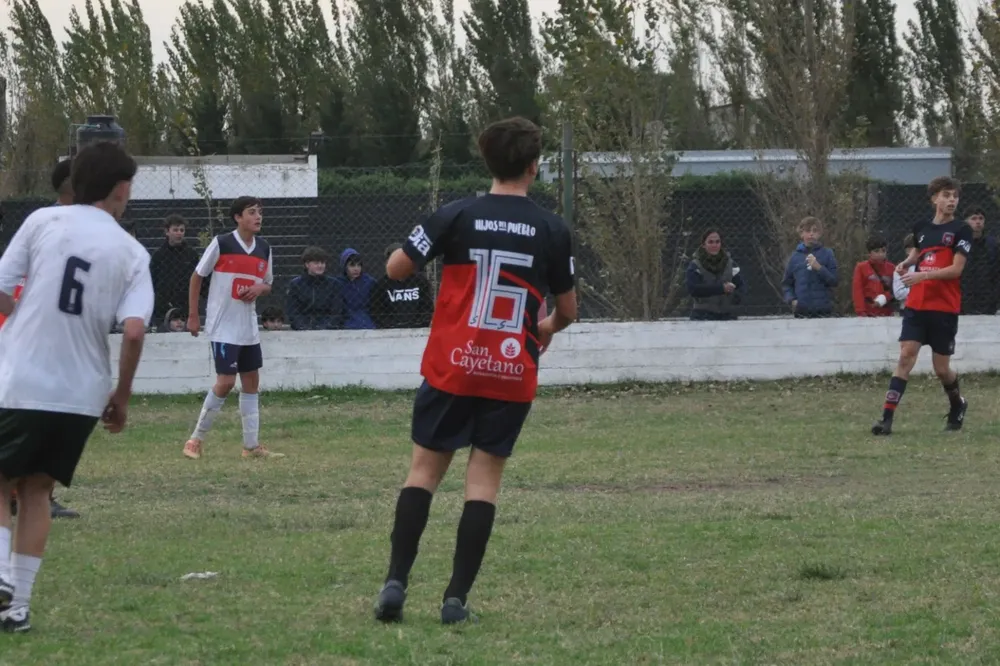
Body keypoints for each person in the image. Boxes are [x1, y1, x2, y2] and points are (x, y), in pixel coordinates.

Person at [373, 116, 577, 626]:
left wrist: (409, 251)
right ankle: (455, 600)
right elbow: (569, 312)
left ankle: (395, 583)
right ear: (534, 167)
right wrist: (545, 329)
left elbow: (397, 269)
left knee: (423, 471)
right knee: (483, 482)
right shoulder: (552, 229)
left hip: (453, 366)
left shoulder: (455, 214)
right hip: (510, 369)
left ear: (487, 162)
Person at [0, 141, 154, 632]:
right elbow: (133, 330)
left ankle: (1, 575)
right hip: (82, 392)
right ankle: (18, 607)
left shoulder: (45, 221)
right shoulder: (132, 251)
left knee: (2, 483)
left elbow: (2, 288)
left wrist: (21, 320)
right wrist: (122, 396)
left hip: (24, 378)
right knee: (39, 490)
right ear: (122, 188)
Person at [3, 160, 82, 521]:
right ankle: (30, 494)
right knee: (38, 410)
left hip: (54, 332)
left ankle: (31, 494)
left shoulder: (78, 225)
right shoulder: (49, 224)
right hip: (35, 332)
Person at [183, 197, 283, 460]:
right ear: (238, 217)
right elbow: (197, 277)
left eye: (260, 212)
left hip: (247, 327)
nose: (258, 217)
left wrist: (261, 288)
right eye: (252, 212)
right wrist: (193, 315)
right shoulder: (222, 243)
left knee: (251, 383)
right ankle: (195, 439)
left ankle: (251, 446)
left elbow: (268, 283)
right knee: (226, 383)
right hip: (223, 326)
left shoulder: (264, 247)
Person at [872, 176, 971, 436]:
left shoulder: (962, 230)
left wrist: (922, 276)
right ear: (934, 199)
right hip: (917, 305)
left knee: (941, 369)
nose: (951, 200)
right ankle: (886, 419)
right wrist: (906, 262)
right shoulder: (921, 227)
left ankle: (957, 404)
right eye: (946, 195)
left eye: (955, 196)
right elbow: (918, 253)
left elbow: (956, 269)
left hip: (945, 307)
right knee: (906, 356)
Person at [781, 217, 838, 318]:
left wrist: (819, 268)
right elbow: (787, 284)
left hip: (823, 311)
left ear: (820, 234)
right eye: (808, 231)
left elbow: (834, 281)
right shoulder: (794, 257)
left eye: (815, 231)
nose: (811, 234)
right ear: (801, 234)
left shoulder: (828, 254)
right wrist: (792, 300)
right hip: (802, 311)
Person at [685, 230, 746, 320]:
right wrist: (721, 289)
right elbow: (693, 289)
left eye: (717, 242)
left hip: (727, 315)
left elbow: (741, 287)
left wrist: (735, 297)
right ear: (703, 245)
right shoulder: (695, 265)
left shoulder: (730, 264)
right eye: (710, 242)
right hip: (701, 316)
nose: (714, 245)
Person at [370, 242, 435, 328]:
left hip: (417, 330)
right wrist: (392, 326)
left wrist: (418, 324)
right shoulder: (382, 285)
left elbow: (427, 308)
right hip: (390, 332)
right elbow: (377, 312)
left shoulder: (420, 282)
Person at [851, 234, 895, 317]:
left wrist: (885, 298)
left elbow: (894, 289)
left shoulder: (891, 268)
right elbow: (857, 291)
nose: (881, 254)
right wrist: (861, 311)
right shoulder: (861, 267)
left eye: (883, 250)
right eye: (876, 251)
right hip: (868, 313)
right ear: (869, 253)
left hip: (886, 313)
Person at [892, 233, 917, 307]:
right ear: (908, 251)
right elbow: (899, 294)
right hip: (907, 308)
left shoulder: (928, 267)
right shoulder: (900, 268)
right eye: (915, 249)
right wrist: (918, 289)